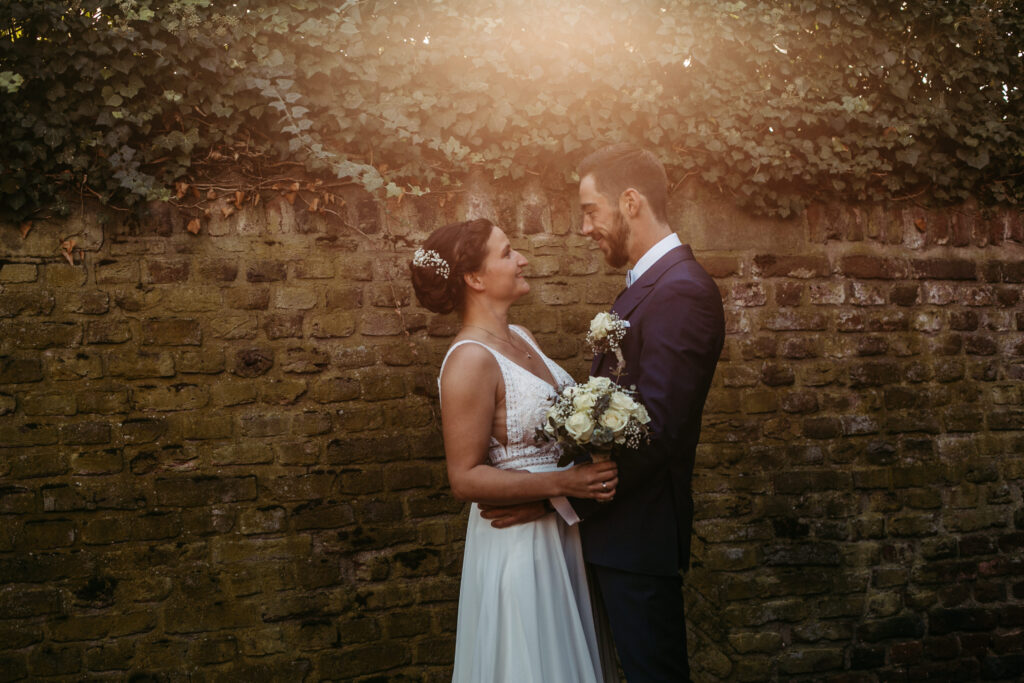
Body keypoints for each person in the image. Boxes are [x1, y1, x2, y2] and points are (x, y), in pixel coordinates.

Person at [483, 144, 725, 682]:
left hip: (639, 536)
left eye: (591, 210)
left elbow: (656, 430)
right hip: (614, 534)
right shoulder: (644, 288)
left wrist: (561, 501)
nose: (586, 227)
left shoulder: (682, 291)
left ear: (631, 202)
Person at [410, 217, 620, 683]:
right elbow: (464, 477)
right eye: (507, 253)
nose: (522, 258)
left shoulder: (521, 337)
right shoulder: (469, 361)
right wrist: (562, 483)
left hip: (560, 527)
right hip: (520, 546)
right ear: (475, 279)